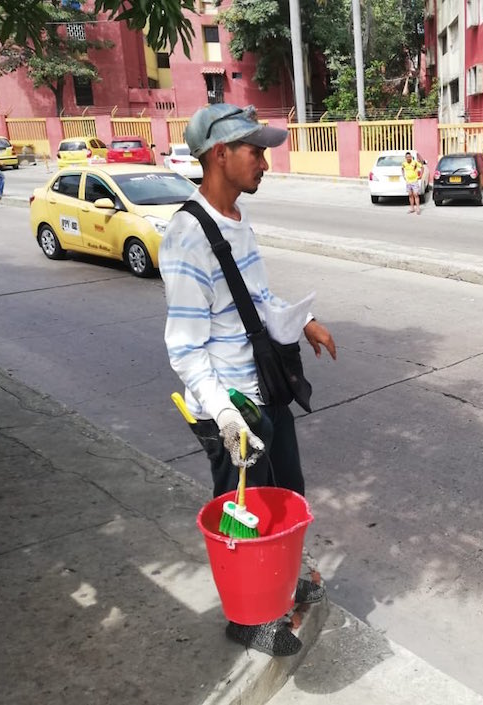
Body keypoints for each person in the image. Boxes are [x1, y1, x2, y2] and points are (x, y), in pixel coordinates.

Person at [159, 103, 337, 656]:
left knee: (286, 495)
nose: (265, 161)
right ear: (220, 154)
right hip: (230, 408)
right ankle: (246, 618)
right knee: (244, 519)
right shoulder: (187, 239)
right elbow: (184, 350)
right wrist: (229, 417)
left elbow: (254, 298)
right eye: (255, 151)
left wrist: (303, 320)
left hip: (266, 393)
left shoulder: (237, 220)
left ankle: (281, 583)